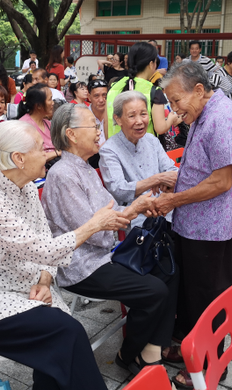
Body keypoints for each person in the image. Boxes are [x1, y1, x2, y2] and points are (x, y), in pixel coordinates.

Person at [0, 120, 126, 390]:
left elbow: (45, 243)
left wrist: (45, 280)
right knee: (67, 333)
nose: (48, 152)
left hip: (26, 289)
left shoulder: (27, 188)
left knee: (64, 337)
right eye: (40, 148)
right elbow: (44, 249)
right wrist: (94, 224)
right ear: (18, 158)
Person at [41, 104, 177, 376]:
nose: (99, 131)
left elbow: (107, 216)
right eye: (93, 125)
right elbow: (96, 231)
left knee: (168, 267)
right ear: (71, 134)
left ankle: (153, 346)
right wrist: (131, 210)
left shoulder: (85, 168)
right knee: (154, 290)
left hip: (104, 253)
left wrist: (134, 208)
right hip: (81, 264)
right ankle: (129, 355)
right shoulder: (63, 174)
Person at [153, 60, 232, 387]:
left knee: (208, 295)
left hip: (210, 226)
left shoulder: (221, 118)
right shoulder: (202, 111)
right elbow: (202, 166)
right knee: (192, 293)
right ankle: (192, 348)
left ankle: (208, 363)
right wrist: (174, 183)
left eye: (176, 101)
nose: (174, 110)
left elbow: (221, 182)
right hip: (193, 221)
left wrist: (172, 200)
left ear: (199, 90)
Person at [99, 91, 178, 230]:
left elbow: (171, 170)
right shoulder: (109, 150)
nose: (140, 121)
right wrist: (156, 179)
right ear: (118, 119)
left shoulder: (151, 140)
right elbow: (119, 189)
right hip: (138, 220)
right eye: (131, 116)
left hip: (166, 210)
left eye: (143, 113)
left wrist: (167, 184)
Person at [106, 42, 181, 138]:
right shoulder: (153, 91)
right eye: (155, 62)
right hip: (144, 150)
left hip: (115, 148)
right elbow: (160, 128)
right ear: (151, 64)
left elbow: (106, 124)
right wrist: (171, 119)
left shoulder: (114, 86)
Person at [18, 84, 60, 164]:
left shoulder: (48, 124)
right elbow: (29, 158)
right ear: (39, 105)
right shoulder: (24, 126)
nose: (53, 103)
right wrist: (57, 153)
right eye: (50, 99)